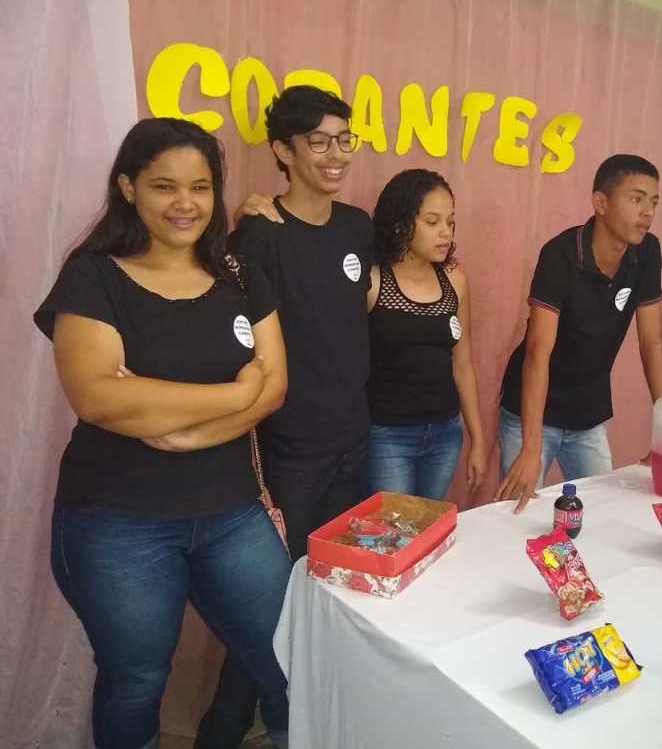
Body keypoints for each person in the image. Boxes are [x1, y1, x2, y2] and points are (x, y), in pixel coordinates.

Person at [34, 117, 290, 749]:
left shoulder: (239, 275)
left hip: (231, 512)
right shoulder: (94, 276)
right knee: (136, 680)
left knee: (289, 658)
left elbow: (276, 387)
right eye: (164, 186)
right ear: (129, 188)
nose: (185, 203)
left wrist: (183, 430)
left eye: (200, 187)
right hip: (118, 522)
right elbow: (101, 398)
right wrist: (234, 394)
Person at [196, 85, 373, 747]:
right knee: (270, 610)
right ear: (283, 150)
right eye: (318, 141)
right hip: (289, 450)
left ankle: (312, 725)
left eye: (344, 139)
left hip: (353, 440)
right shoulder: (259, 234)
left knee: (334, 597)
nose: (336, 154)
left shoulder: (356, 227)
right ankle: (223, 731)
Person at [494, 154, 662, 512]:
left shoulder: (648, 252)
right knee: (517, 515)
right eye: (636, 199)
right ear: (601, 203)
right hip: (533, 413)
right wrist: (530, 448)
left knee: (602, 512)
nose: (647, 212)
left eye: (653, 202)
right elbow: (537, 353)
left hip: (587, 414)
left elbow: (651, 344)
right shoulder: (560, 254)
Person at [364, 169, 487, 500]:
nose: (445, 232)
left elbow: (463, 364)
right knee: (394, 527)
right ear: (401, 224)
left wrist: (478, 440)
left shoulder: (455, 281)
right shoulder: (372, 282)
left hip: (445, 434)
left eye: (450, 222)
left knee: (430, 524)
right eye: (433, 222)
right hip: (387, 436)